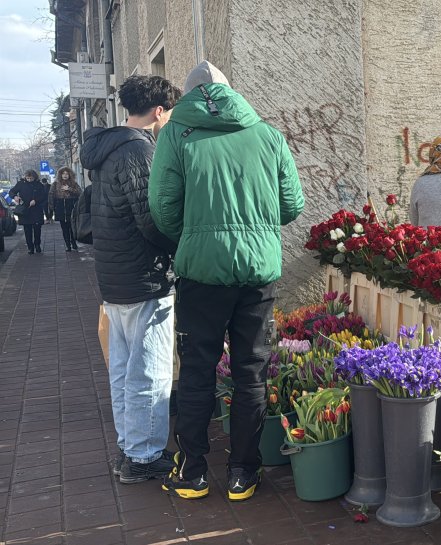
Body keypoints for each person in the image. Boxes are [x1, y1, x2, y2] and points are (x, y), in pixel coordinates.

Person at [149, 61, 304, 502]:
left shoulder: (175, 136)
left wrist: (196, 235)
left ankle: (193, 472)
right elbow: (291, 205)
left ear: (187, 96)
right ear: (232, 94)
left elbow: (163, 208)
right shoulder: (268, 135)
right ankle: (243, 473)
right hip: (257, 271)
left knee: (197, 371)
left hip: (201, 273)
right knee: (251, 371)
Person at [80, 75, 181, 484]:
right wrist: (180, 249)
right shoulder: (139, 150)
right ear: (158, 111)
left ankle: (130, 447)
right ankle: (143, 457)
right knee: (150, 370)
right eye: (169, 112)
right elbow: (152, 220)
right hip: (143, 277)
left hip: (115, 276)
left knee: (123, 370)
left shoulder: (106, 149)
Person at [8, 170, 48, 254]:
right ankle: (30, 247)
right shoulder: (21, 184)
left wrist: (36, 201)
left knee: (37, 229)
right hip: (25, 210)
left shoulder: (39, 185)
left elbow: (44, 196)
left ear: (35, 177)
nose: (29, 180)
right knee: (27, 229)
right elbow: (11, 191)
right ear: (25, 177)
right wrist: (15, 197)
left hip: (36, 210)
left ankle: (37, 244)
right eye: (28, 178)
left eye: (31, 178)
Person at [49, 167, 82, 251]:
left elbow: (80, 193)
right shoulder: (55, 184)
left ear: (70, 174)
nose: (65, 175)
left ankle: (73, 242)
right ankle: (67, 245)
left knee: (72, 227)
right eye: (63, 173)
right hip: (60, 208)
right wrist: (52, 208)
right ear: (60, 175)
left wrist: (69, 189)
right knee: (64, 228)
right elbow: (51, 195)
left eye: (67, 173)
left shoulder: (73, 183)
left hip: (71, 207)